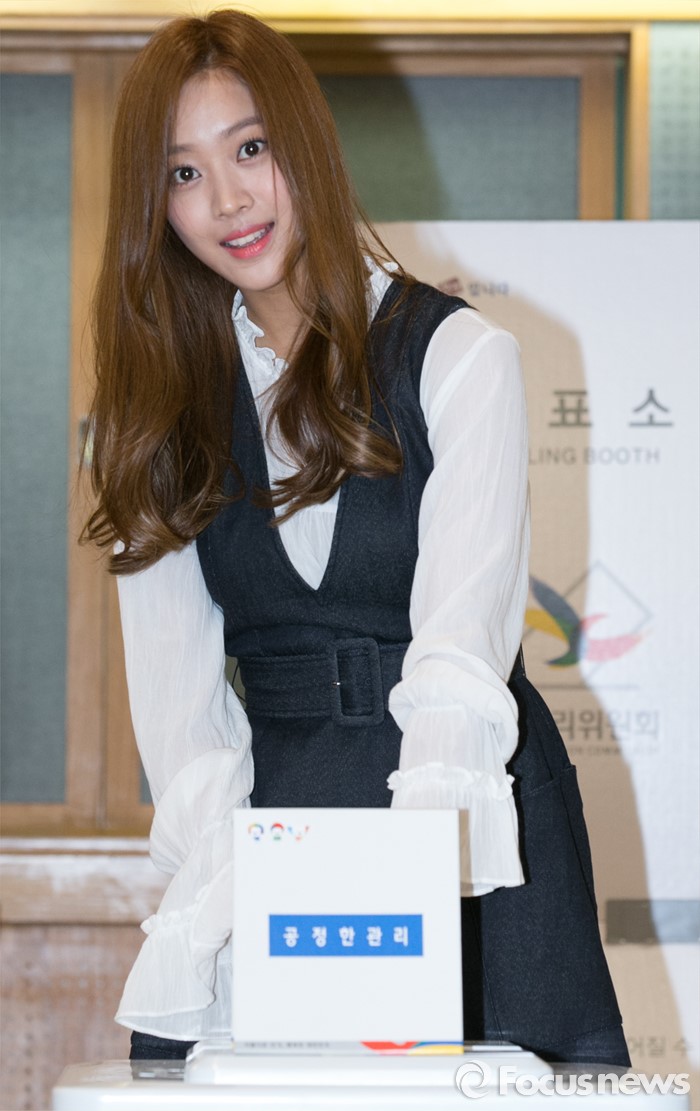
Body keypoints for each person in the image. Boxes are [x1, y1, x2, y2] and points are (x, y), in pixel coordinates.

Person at [83, 9, 630, 1067]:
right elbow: (178, 708)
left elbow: (460, 646)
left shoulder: (456, 357)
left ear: (307, 143)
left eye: (250, 148)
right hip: (277, 822)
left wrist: (409, 880)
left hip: (464, 814)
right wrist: (232, 877)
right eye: (184, 173)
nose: (228, 200)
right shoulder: (156, 411)